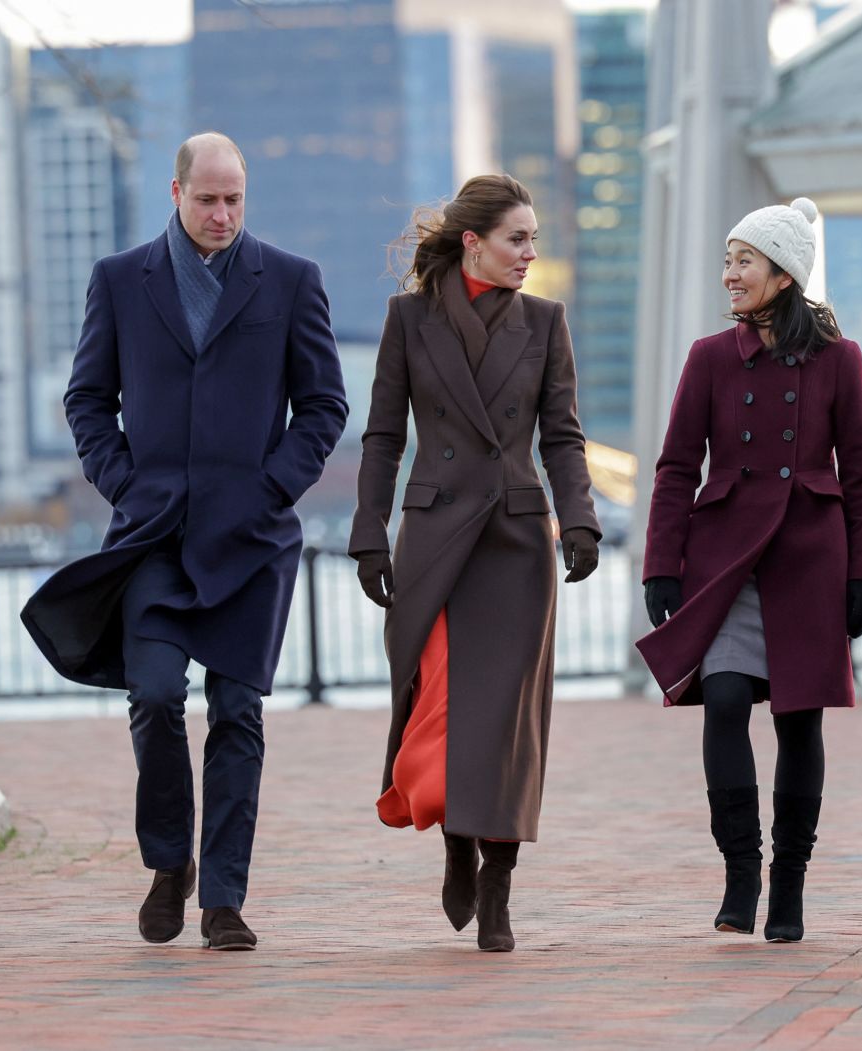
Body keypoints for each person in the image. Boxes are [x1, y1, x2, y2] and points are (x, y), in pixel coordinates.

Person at [22, 132, 348, 951]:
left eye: (235, 198)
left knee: (238, 711)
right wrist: (126, 484)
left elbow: (324, 406)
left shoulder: (293, 279)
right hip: (153, 536)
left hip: (252, 538)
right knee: (158, 694)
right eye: (207, 198)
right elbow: (88, 399)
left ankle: (224, 897)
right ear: (175, 193)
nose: (223, 214)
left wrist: (273, 486)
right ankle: (171, 862)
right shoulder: (119, 280)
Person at [348, 174, 601, 953]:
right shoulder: (409, 320)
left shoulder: (544, 322)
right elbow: (384, 434)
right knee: (436, 709)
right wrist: (368, 528)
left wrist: (581, 518)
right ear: (473, 243)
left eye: (533, 239)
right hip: (433, 540)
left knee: (505, 724)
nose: (531, 253)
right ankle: (457, 837)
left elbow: (560, 436)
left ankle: (498, 882)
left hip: (516, 543)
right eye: (517, 239)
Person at [636, 197, 862, 943]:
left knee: (798, 720)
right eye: (727, 260)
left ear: (784, 273)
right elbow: (677, 467)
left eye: (744, 260)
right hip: (726, 560)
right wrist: (661, 565)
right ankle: (740, 870)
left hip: (809, 560)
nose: (730, 274)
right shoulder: (710, 358)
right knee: (724, 702)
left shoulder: (840, 361)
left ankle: (791, 887)